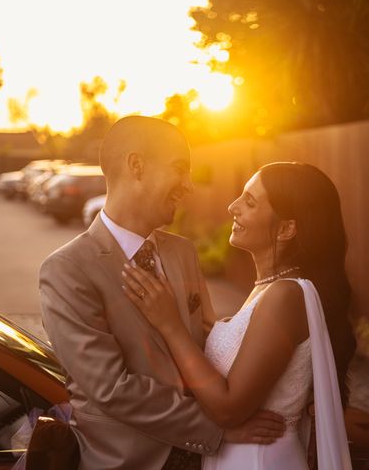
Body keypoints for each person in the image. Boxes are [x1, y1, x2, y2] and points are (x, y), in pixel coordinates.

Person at [39, 116, 285, 470]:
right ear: (136, 166)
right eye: (179, 169)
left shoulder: (181, 252)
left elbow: (209, 344)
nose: (188, 185)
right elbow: (111, 388)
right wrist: (217, 427)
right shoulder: (66, 270)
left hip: (207, 459)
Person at [122, 162, 356, 469]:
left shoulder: (286, 296)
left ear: (286, 228)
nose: (233, 207)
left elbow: (229, 410)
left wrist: (170, 325)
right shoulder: (267, 290)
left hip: (260, 459)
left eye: (250, 202)